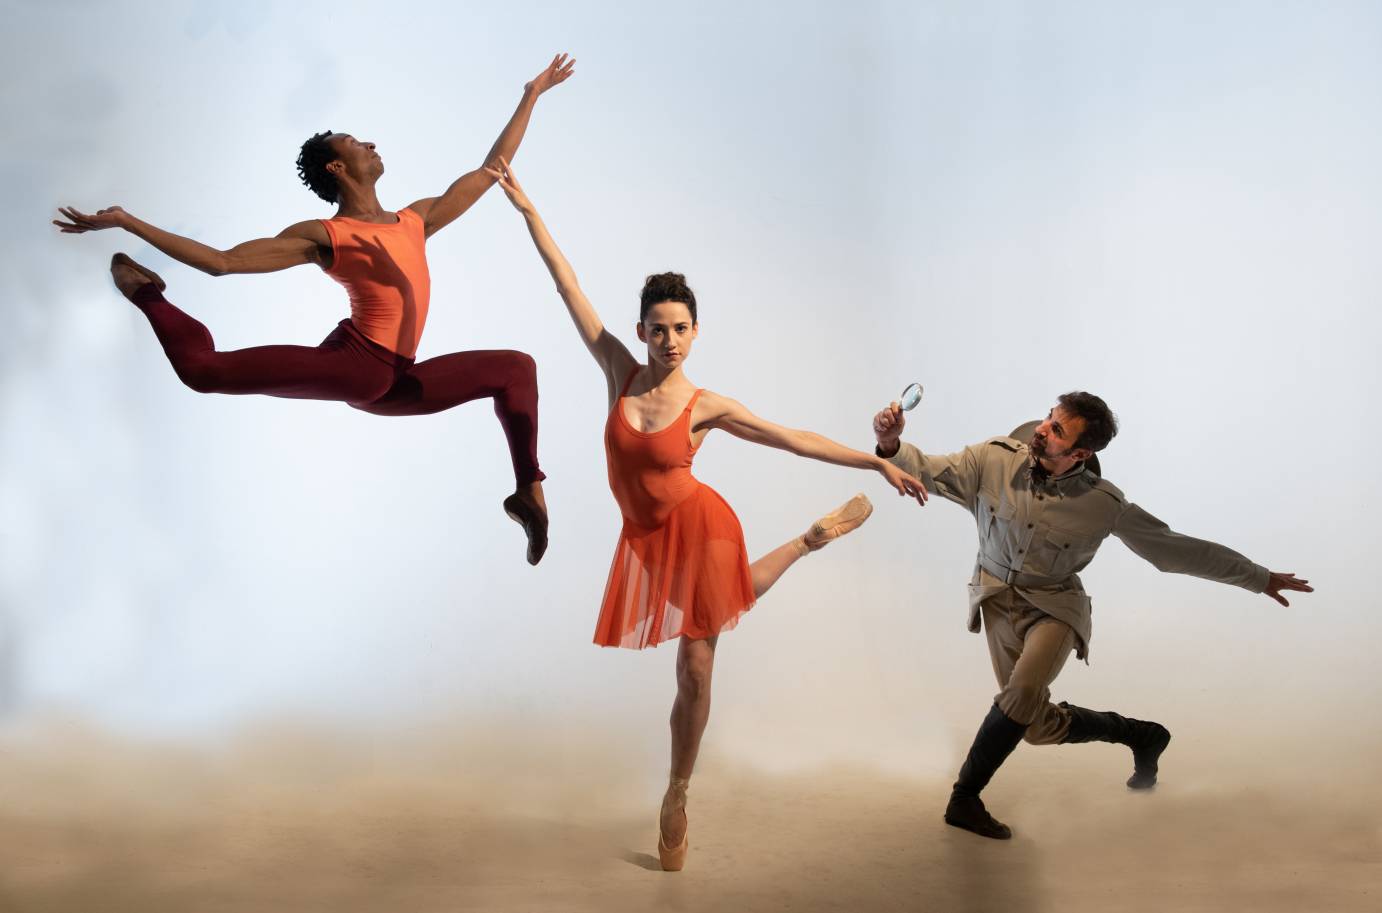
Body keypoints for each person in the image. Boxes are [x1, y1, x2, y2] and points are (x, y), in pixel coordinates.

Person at [485, 156, 929, 870]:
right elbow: (566, 282)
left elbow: (791, 437)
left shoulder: (705, 406)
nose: (667, 339)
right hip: (645, 539)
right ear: (641, 329)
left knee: (696, 662)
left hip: (702, 524)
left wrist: (875, 459)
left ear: (695, 333)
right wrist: (529, 209)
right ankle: (810, 540)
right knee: (728, 603)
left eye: (680, 328)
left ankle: (677, 792)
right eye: (657, 327)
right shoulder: (617, 369)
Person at [52, 54, 578, 565]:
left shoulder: (417, 219)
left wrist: (530, 96)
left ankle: (528, 493)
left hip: (393, 382)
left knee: (516, 369)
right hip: (356, 366)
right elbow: (223, 262)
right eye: (355, 142)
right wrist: (128, 220)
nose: (371, 143)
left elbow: (492, 170)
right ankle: (147, 294)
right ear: (338, 166)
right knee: (201, 370)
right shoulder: (326, 236)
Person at [871, 392, 1313, 839]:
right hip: (996, 599)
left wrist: (1257, 577)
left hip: (1054, 608)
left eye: (1057, 429)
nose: (1043, 428)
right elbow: (925, 468)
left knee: (1022, 692)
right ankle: (1140, 735)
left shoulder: (1103, 504)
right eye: (1048, 418)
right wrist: (890, 445)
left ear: (1081, 453)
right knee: (1035, 727)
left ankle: (964, 798)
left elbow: (1175, 549)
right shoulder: (993, 458)